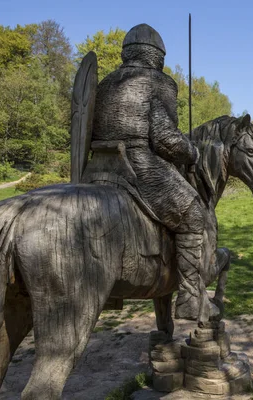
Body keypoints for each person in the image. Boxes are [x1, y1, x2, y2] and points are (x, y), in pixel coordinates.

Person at [92, 23, 218, 323]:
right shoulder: (158, 81)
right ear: (157, 56)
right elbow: (163, 138)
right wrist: (193, 151)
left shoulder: (105, 83)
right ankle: (189, 297)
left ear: (127, 52)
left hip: (97, 169)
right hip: (138, 165)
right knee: (194, 215)